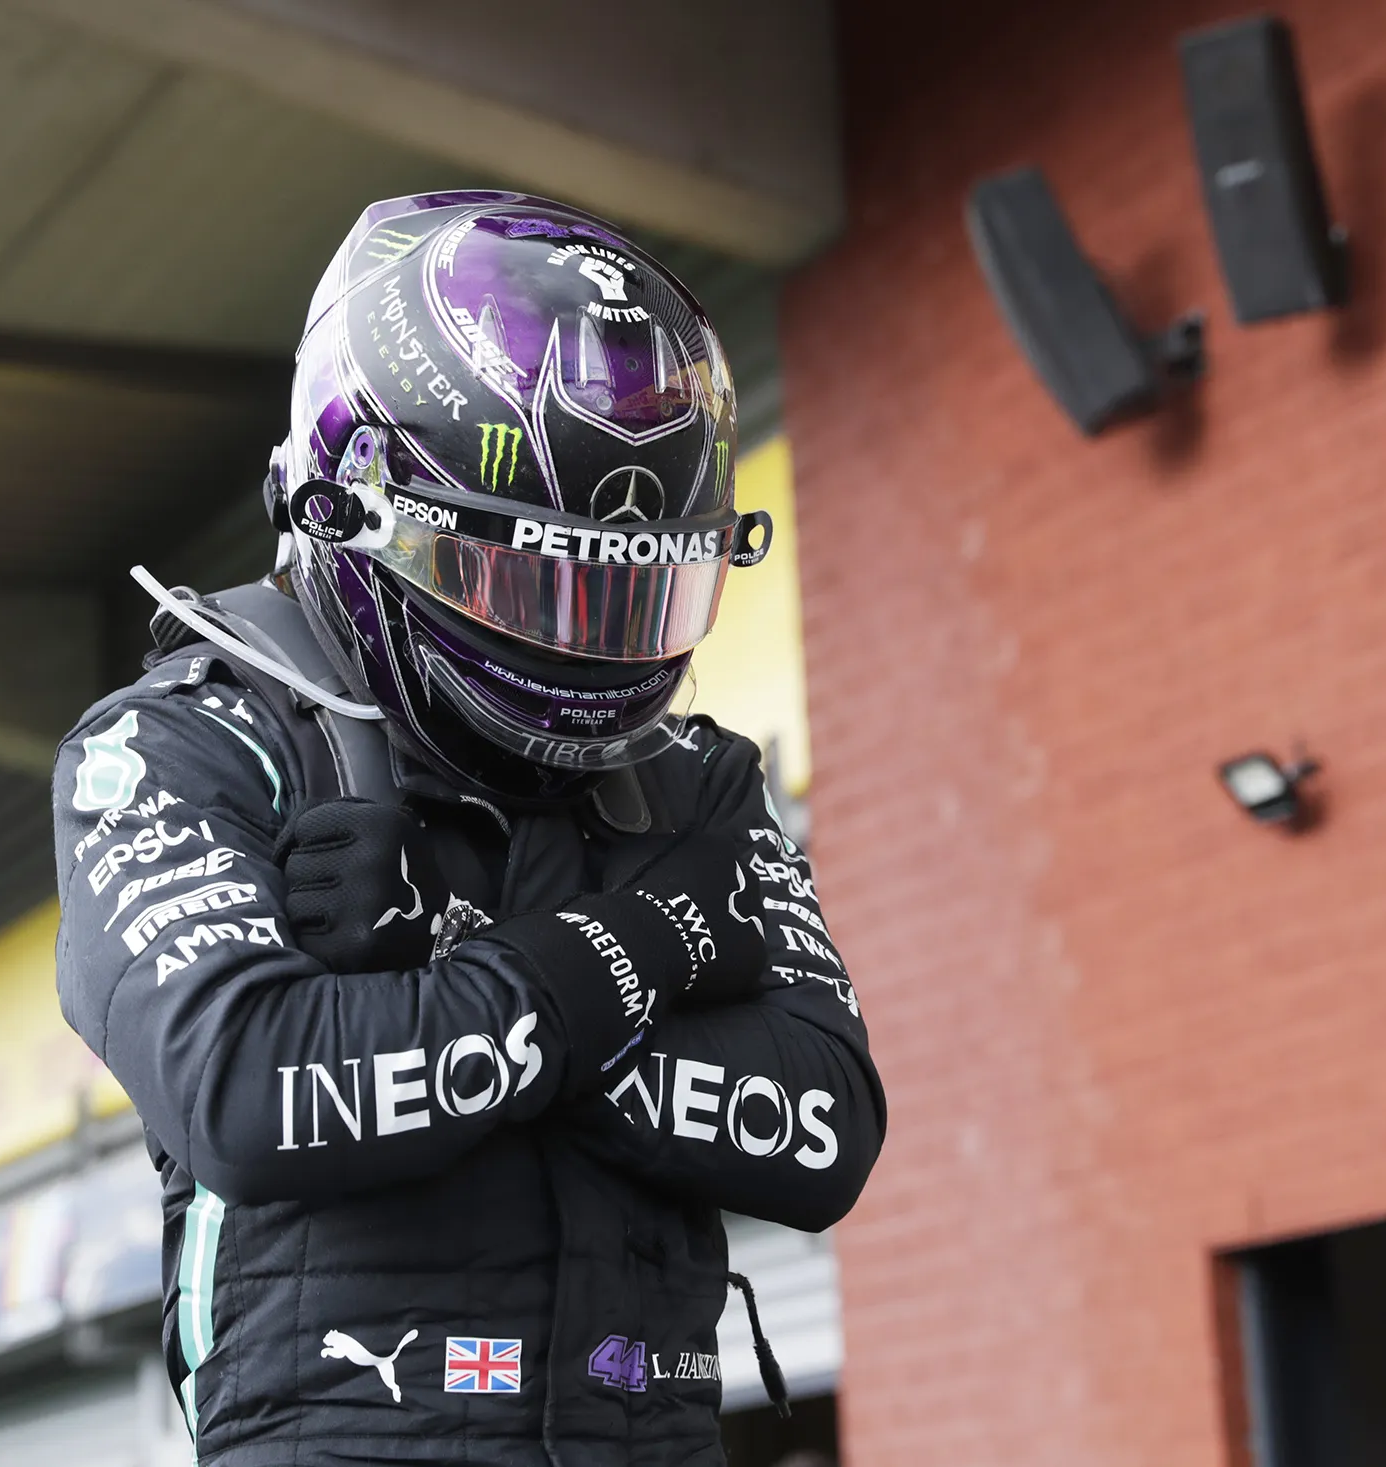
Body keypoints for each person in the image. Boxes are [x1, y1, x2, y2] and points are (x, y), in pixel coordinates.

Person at [52, 193, 883, 1467]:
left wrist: (451, 981)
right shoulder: (180, 745)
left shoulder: (693, 777)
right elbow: (252, 1096)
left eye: (628, 587)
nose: (577, 639)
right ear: (347, 514)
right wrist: (643, 949)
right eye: (527, 576)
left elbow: (822, 1133)